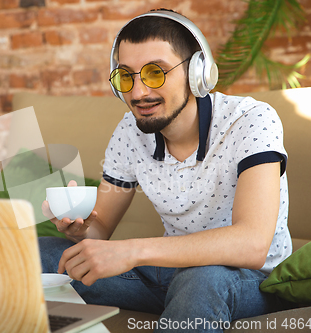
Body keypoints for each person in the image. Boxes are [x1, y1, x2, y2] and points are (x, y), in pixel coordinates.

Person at [39, 8, 294, 332]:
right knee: (38, 252)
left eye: (155, 73)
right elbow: (99, 227)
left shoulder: (252, 120)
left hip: (247, 279)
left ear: (197, 72)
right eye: (126, 76)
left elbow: (252, 243)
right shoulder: (131, 131)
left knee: (200, 279)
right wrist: (80, 229)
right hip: (167, 273)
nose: (138, 92)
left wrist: (132, 251)